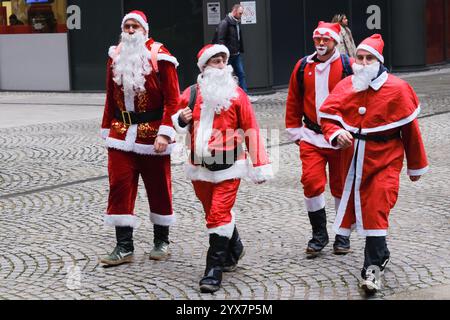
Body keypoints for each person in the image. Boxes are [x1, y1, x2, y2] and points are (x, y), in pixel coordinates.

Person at [319, 34, 429, 294]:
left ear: (379, 61)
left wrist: (416, 166)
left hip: (385, 158)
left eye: (370, 58)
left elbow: (411, 132)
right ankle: (382, 252)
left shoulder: (399, 89)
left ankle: (372, 272)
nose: (364, 62)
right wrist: (336, 134)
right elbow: (328, 118)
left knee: (376, 207)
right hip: (353, 160)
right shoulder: (347, 85)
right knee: (364, 210)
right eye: (360, 57)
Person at [172, 44, 273, 293]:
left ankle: (213, 270)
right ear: (204, 67)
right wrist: (180, 121)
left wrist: (259, 164)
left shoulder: (237, 95)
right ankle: (234, 247)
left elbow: (252, 128)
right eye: (214, 61)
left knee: (218, 214)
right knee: (214, 214)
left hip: (230, 167)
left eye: (222, 61)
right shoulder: (192, 93)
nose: (220, 65)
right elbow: (175, 119)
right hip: (199, 168)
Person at [99, 10, 180, 266]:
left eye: (135, 26)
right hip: (121, 135)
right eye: (127, 26)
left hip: (153, 135)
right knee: (119, 187)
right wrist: (106, 129)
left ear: (145, 30)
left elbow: (173, 99)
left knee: (159, 189)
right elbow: (109, 97)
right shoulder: (115, 57)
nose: (131, 31)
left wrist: (166, 133)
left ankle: (161, 241)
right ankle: (124, 246)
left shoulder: (161, 56)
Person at [285, 21, 354, 259]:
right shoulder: (303, 66)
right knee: (311, 183)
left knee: (340, 186)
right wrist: (294, 129)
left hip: (340, 138)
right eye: (318, 40)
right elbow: (294, 99)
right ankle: (319, 234)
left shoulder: (349, 66)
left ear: (335, 41)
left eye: (326, 40)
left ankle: (342, 233)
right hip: (312, 136)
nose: (322, 44)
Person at [216, 4, 257, 102]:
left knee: (241, 74)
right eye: (240, 13)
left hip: (236, 54)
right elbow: (220, 39)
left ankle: (244, 96)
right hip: (228, 56)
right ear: (234, 11)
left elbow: (238, 38)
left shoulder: (236, 23)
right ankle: (225, 96)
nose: (241, 15)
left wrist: (239, 49)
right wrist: (224, 55)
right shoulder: (225, 23)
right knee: (226, 75)